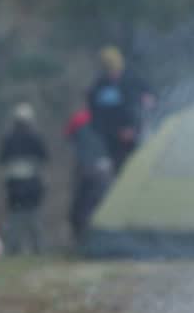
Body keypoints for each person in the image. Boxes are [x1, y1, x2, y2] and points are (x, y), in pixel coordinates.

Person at [86, 46, 153, 172]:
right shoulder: (97, 91)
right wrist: (117, 133)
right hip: (115, 145)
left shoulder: (132, 79)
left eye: (117, 69)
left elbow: (150, 92)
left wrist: (149, 98)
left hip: (141, 134)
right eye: (110, 70)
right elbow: (96, 122)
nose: (114, 73)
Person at [0, 103, 48, 255]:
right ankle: (37, 248)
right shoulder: (35, 137)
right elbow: (45, 157)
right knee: (32, 216)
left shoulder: (8, 139)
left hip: (15, 183)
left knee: (16, 217)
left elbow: (1, 159)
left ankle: (13, 248)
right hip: (31, 183)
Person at [65, 108, 112, 240]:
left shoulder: (78, 118)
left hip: (85, 169)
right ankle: (98, 236)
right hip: (103, 168)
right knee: (100, 203)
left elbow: (68, 137)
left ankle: (82, 236)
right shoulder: (107, 116)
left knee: (82, 205)